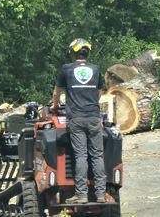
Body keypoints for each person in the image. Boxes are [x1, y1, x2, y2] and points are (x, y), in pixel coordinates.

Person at [51, 38, 106, 204]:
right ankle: (101, 195)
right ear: (87, 53)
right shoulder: (95, 70)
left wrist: (55, 106)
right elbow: (99, 93)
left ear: (74, 52)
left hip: (76, 117)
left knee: (81, 155)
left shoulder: (66, 69)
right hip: (94, 117)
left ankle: (81, 195)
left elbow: (56, 93)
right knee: (97, 155)